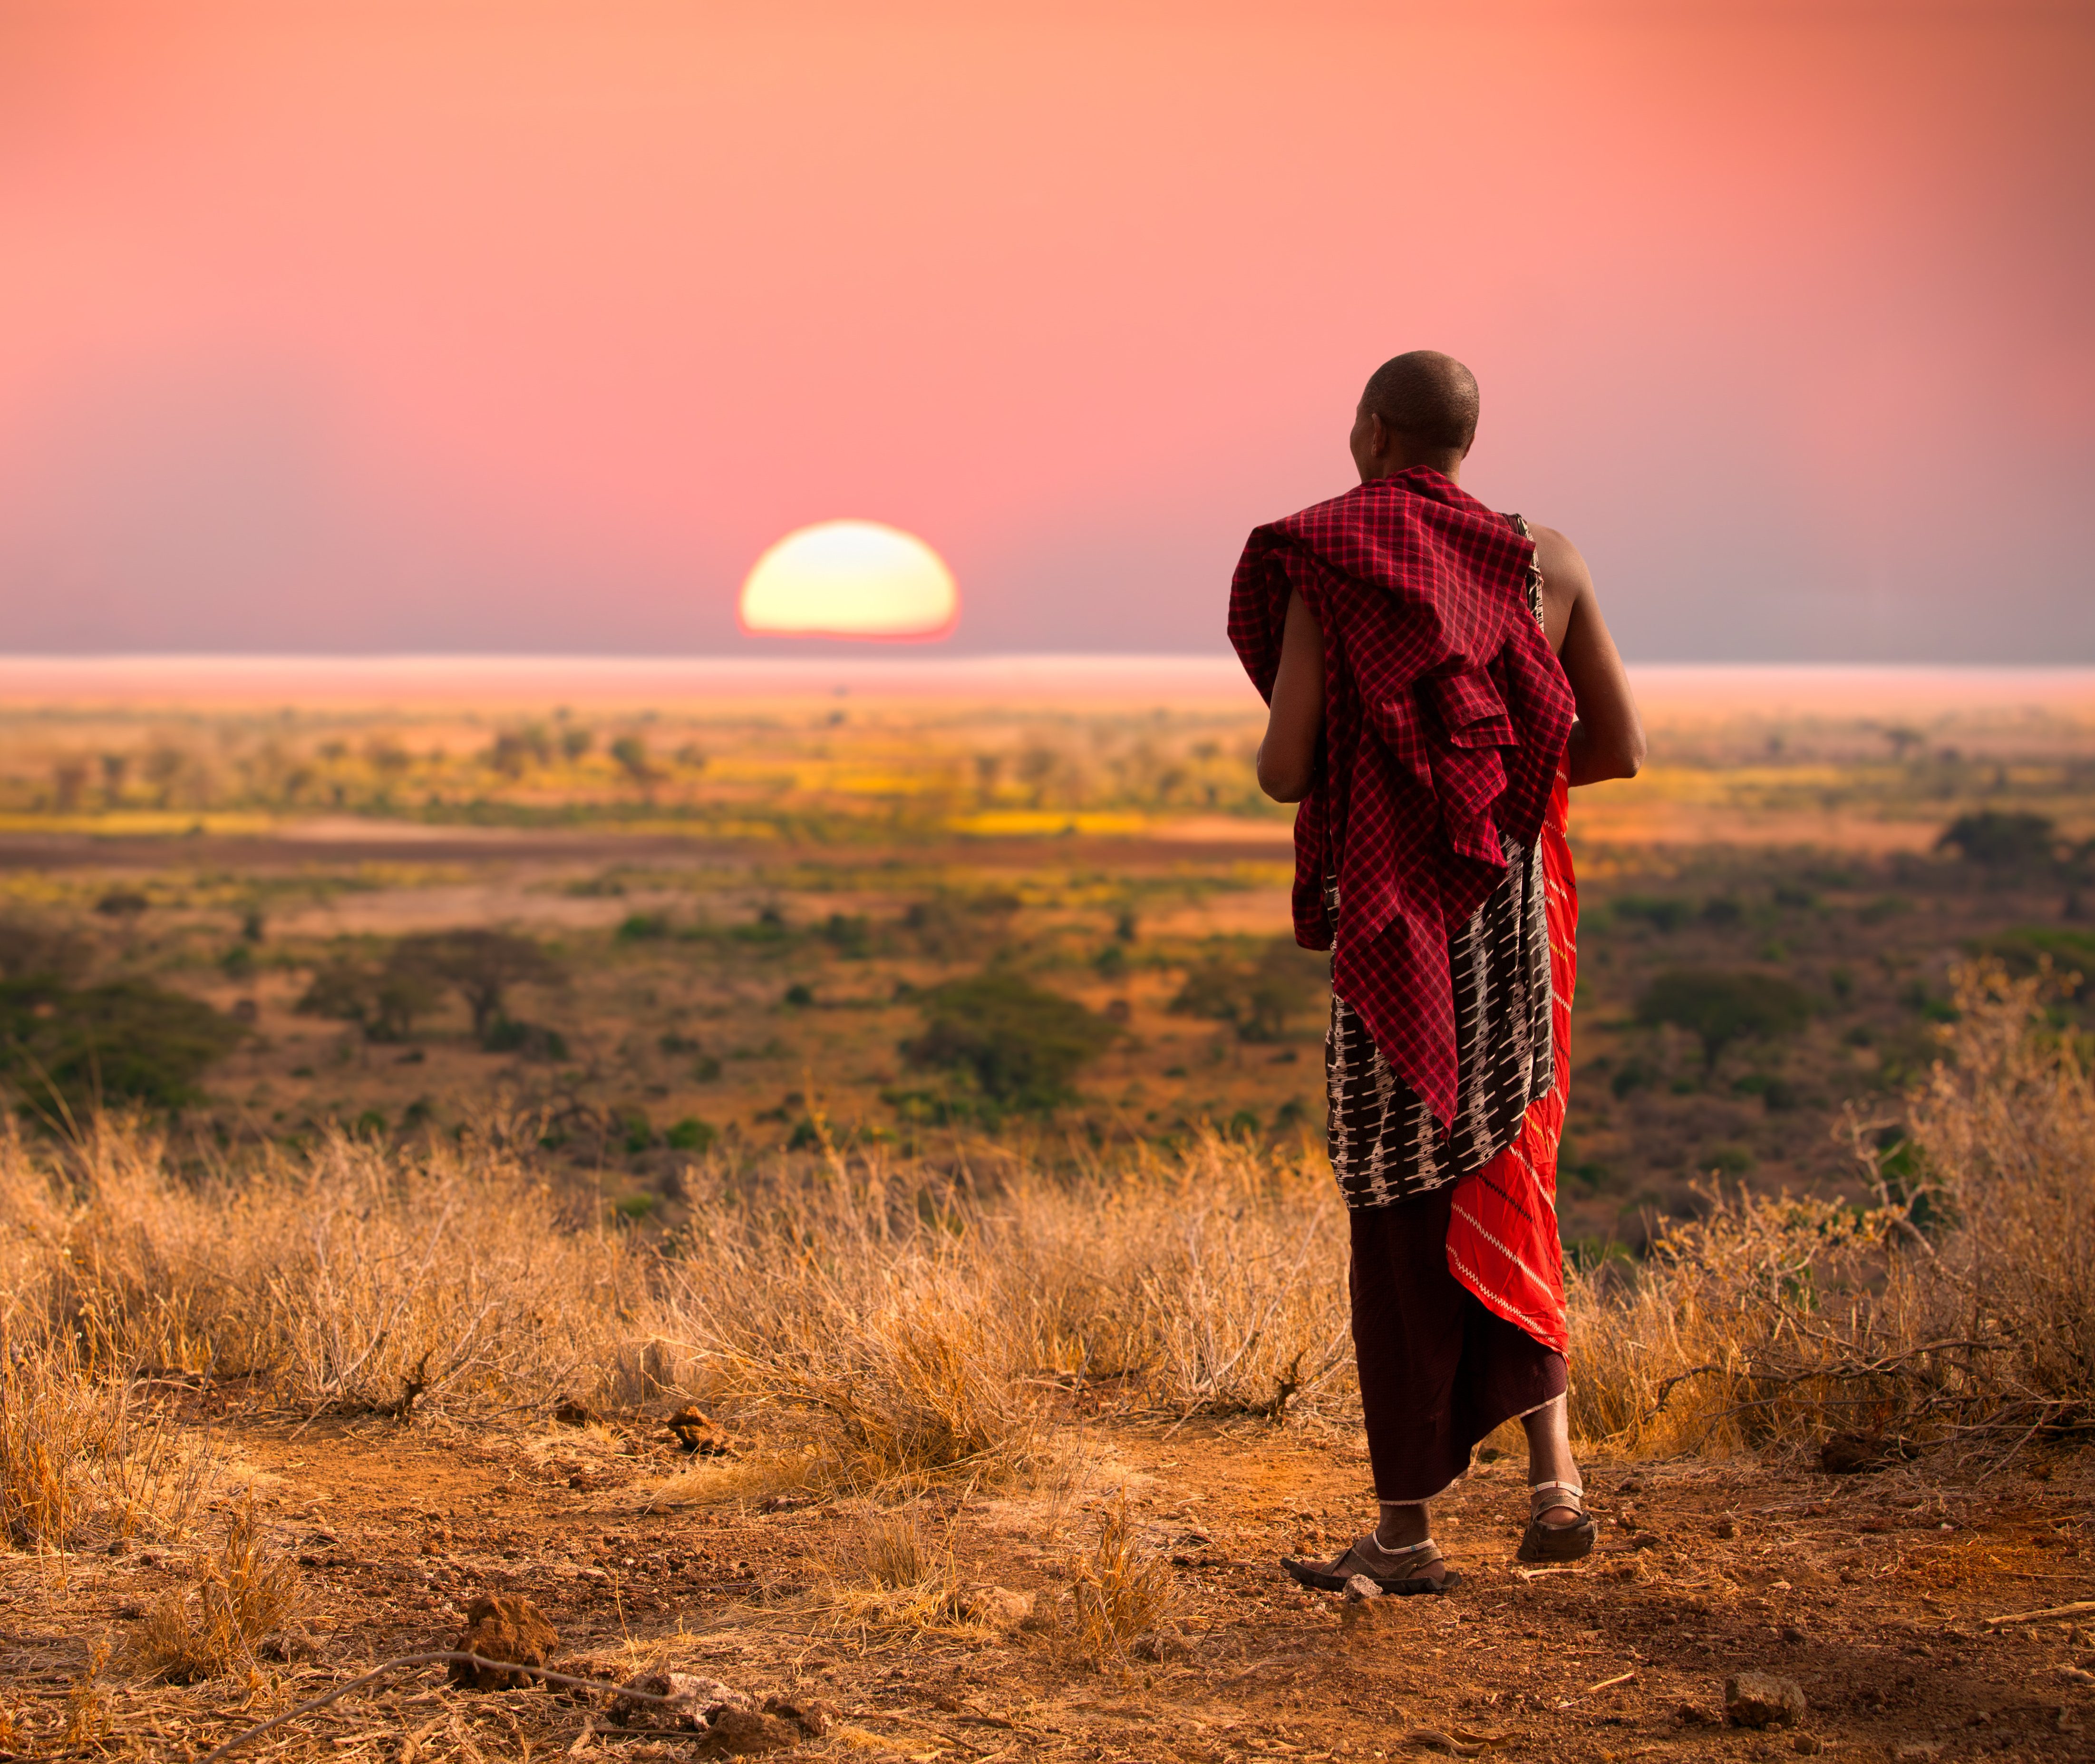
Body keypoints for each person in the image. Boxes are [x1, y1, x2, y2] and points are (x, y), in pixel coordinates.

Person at [1228, 350, 1644, 1594]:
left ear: (1369, 432)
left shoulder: (1327, 563)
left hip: (1394, 931)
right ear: (1464, 441)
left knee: (1401, 1209)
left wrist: (1403, 796)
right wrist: (1483, 791)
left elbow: (1284, 768)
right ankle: (1556, 1485)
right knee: (1508, 1178)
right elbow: (1615, 745)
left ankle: (1404, 1535)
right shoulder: (1548, 560)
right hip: (1509, 918)